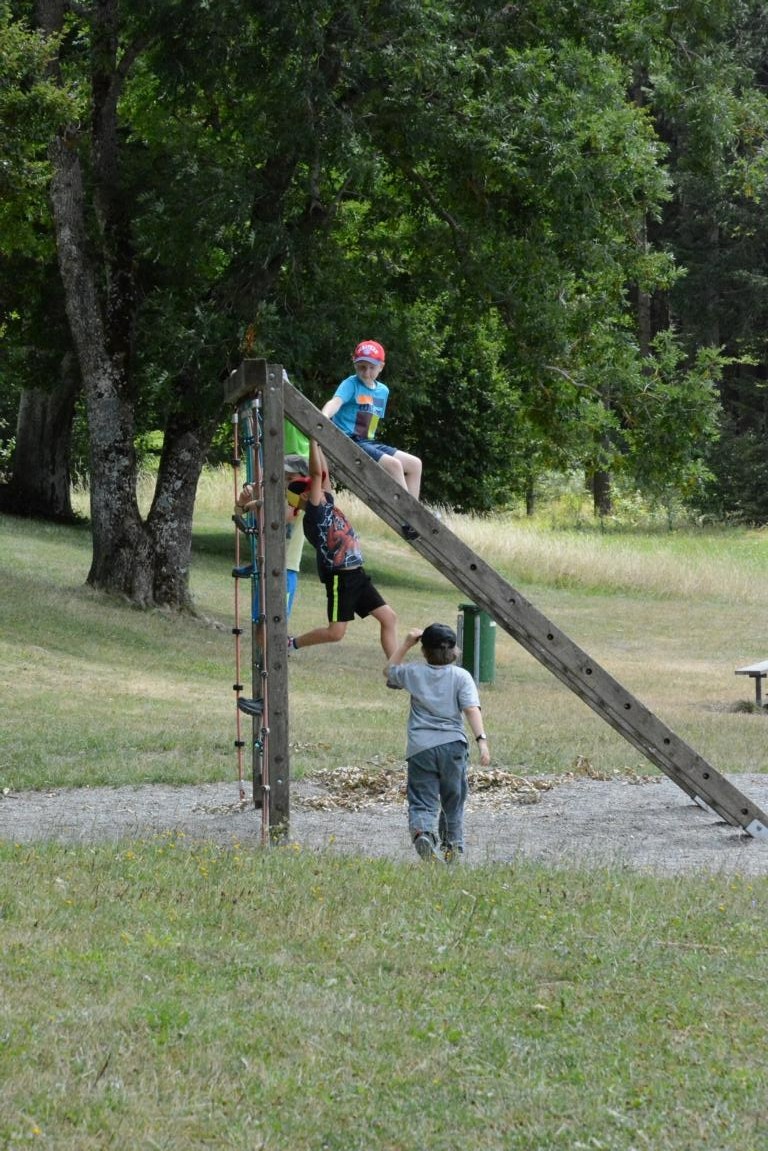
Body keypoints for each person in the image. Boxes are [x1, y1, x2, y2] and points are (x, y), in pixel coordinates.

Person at [384, 622, 491, 864]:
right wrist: (481, 741)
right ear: (454, 650)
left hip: (420, 748)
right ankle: (452, 846)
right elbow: (471, 709)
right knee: (454, 799)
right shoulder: (461, 676)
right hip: (453, 746)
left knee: (422, 799)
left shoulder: (413, 672)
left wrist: (406, 644)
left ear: (424, 651)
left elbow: (389, 671)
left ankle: (423, 833)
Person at [286, 438, 398, 658]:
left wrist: (321, 443)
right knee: (335, 633)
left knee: (389, 618)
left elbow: (324, 474)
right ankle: (290, 644)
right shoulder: (315, 515)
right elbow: (316, 474)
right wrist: (312, 441)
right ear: (306, 496)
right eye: (313, 489)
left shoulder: (326, 503)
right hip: (341, 579)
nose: (320, 488)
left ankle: (396, 671)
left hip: (357, 575)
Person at [322, 340, 422, 500]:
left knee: (415, 464)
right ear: (355, 364)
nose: (366, 372)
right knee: (394, 465)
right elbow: (336, 402)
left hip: (367, 441)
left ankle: (414, 512)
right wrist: (325, 415)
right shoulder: (350, 384)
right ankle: (407, 510)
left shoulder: (383, 391)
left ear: (381, 366)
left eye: (372, 367)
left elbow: (372, 421)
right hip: (349, 440)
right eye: (362, 367)